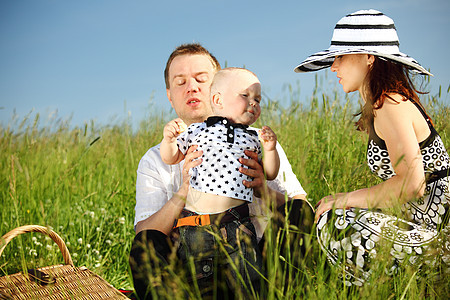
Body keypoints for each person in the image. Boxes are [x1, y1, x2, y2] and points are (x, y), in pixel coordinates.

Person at [130, 43, 314, 299]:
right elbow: (146, 231)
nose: (191, 87)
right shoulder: (155, 158)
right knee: (145, 245)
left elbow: (300, 205)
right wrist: (183, 192)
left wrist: (263, 189)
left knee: (298, 213)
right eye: (180, 82)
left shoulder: (257, 140)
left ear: (219, 88)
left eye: (201, 79)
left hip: (253, 263)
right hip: (191, 268)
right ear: (170, 95)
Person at [294, 9, 449, 286]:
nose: (333, 67)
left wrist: (346, 199)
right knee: (336, 215)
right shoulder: (382, 105)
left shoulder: (390, 103)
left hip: (441, 233)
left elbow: (412, 186)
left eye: (340, 57)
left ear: (368, 57)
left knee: (335, 221)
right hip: (425, 225)